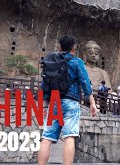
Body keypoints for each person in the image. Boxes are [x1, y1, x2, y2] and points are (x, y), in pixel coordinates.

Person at [38, 36, 97, 165]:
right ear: (73, 49)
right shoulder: (77, 62)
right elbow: (85, 82)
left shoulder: (51, 62)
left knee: (46, 138)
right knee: (69, 137)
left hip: (53, 102)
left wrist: (44, 106)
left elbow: (45, 84)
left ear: (60, 47)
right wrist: (92, 103)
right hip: (70, 102)